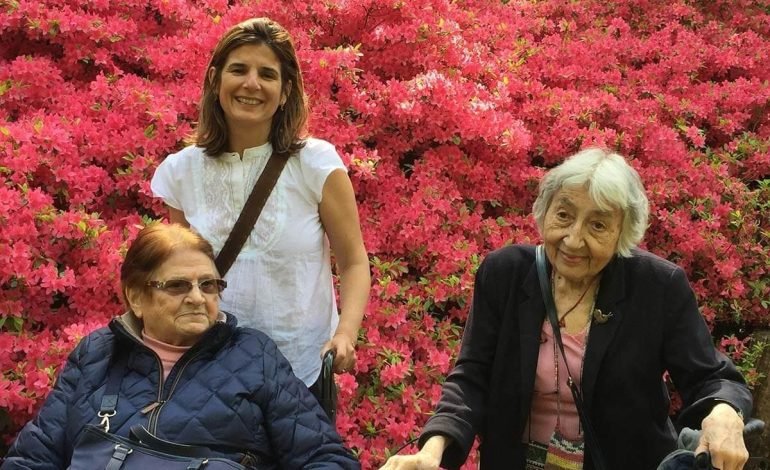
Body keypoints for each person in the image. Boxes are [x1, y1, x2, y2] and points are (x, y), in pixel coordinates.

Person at [380, 148, 752, 470]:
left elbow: (711, 377)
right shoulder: (505, 274)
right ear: (544, 212)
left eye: (598, 225)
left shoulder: (656, 287)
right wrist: (433, 450)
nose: (574, 239)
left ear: (624, 232)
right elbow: (472, 374)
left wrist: (723, 412)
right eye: (563, 215)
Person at [1, 223, 360, 469]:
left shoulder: (253, 355)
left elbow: (325, 457)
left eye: (208, 285)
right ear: (137, 297)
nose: (197, 298)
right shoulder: (97, 354)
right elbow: (35, 457)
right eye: (177, 286)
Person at [149, 17, 370, 402]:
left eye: (267, 74)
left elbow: (353, 261)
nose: (252, 84)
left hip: (299, 371)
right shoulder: (181, 172)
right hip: (208, 371)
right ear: (216, 80)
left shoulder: (316, 165)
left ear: (284, 92)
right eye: (239, 70)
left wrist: (346, 334)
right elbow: (181, 276)